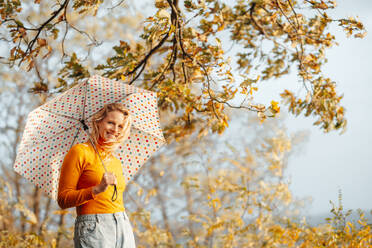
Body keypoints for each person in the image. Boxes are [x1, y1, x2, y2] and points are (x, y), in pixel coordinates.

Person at [58, 103, 136, 248]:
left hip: (122, 223)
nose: (115, 130)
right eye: (111, 123)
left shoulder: (115, 161)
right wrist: (97, 189)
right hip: (94, 227)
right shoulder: (80, 152)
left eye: (120, 126)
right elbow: (63, 199)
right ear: (98, 122)